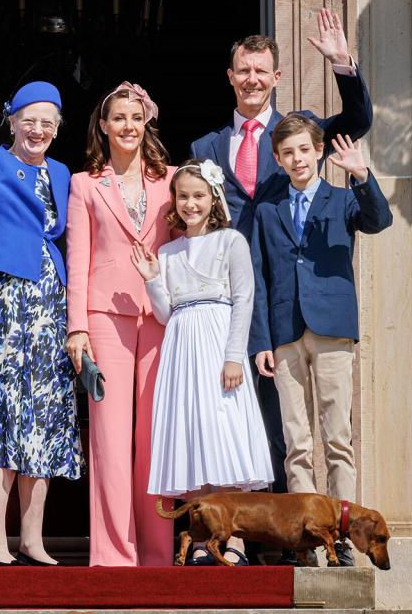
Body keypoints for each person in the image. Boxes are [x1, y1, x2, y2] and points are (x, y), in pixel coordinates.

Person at [189, 9, 373, 512]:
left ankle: (291, 535)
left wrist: (343, 66)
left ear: (276, 77)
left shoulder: (301, 134)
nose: (251, 79)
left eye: (260, 70)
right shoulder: (205, 146)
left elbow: (356, 123)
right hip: (225, 297)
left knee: (296, 424)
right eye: (242, 70)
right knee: (236, 413)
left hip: (291, 298)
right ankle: (242, 526)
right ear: (230, 76)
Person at [0, 65, 84, 566]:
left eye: (48, 123)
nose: (39, 131)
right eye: (30, 120)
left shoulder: (64, 173)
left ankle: (32, 538)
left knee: (42, 414)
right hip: (5, 300)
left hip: (50, 302)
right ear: (13, 121)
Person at [249, 115, 393, 567]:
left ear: (318, 153)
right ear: (278, 158)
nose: (297, 159)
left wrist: (362, 175)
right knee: (296, 440)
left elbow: (380, 219)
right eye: (288, 152)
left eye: (304, 151)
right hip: (285, 329)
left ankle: (342, 537)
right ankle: (304, 540)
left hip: (331, 328)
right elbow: (259, 274)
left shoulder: (342, 199)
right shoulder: (267, 209)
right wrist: (260, 341)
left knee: (337, 437)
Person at [131, 159, 274, 566]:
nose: (190, 204)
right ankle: (199, 540)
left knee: (223, 431)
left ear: (213, 199)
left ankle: (236, 540)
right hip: (182, 343)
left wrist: (234, 356)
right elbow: (163, 313)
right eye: (183, 196)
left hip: (217, 337)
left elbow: (244, 299)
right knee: (193, 434)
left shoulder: (231, 241)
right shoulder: (169, 251)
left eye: (198, 196)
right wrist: (151, 278)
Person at [65, 82, 174, 566]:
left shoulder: (172, 181)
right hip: (104, 317)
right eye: (119, 118)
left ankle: (156, 551)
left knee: (155, 435)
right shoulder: (84, 183)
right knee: (109, 435)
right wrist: (77, 327)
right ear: (104, 127)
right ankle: (112, 554)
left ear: (145, 121)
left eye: (136, 117)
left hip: (161, 316)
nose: (128, 126)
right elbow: (77, 259)